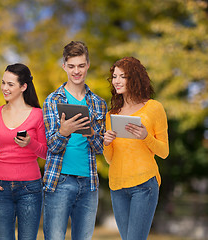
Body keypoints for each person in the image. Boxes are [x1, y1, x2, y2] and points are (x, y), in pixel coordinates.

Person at [42, 41, 107, 240]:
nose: (76, 71)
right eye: (71, 66)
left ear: (88, 65)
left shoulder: (98, 103)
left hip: (89, 183)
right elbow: (52, 146)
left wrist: (92, 134)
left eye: (80, 66)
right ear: (64, 66)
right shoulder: (53, 100)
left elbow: (99, 148)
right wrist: (64, 132)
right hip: (59, 180)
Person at [103, 56, 169, 240]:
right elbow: (110, 159)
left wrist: (145, 137)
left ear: (134, 78)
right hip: (117, 187)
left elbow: (164, 152)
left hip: (144, 185)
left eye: (122, 76)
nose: (116, 81)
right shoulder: (111, 115)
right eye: (114, 76)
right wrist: (106, 143)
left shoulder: (154, 108)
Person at [0, 63, 47, 240]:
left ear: (23, 86)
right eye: (3, 83)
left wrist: (30, 143)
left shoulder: (38, 115)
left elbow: (46, 153)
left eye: (10, 84)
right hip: (0, 188)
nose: (4, 88)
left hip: (30, 188)